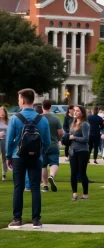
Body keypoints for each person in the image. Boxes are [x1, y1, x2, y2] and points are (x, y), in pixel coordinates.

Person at [6, 88, 51, 229]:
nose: (18, 101)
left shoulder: (15, 118)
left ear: (23, 100)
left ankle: (17, 219)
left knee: (18, 187)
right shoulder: (42, 119)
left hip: (18, 155)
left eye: (19, 99)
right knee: (35, 188)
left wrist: (8, 156)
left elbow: (9, 140)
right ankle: (36, 220)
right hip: (36, 156)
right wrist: (41, 151)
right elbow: (47, 141)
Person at [41, 100, 63, 192]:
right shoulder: (55, 119)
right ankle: (52, 175)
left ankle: (45, 185)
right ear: (51, 107)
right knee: (54, 162)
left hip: (41, 145)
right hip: (53, 143)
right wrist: (58, 139)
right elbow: (60, 132)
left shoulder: (38, 118)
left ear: (42, 107)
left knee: (43, 165)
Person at [69, 105, 90, 201]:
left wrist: (74, 137)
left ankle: (85, 194)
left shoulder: (84, 124)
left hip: (82, 151)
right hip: (73, 151)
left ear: (82, 113)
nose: (75, 112)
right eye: (75, 111)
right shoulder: (73, 123)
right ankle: (74, 194)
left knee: (82, 173)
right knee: (73, 173)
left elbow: (86, 139)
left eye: (77, 111)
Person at [0, 106, 9, 181]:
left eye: (3, 112)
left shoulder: (8, 121)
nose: (2, 114)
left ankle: (4, 174)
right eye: (0, 112)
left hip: (5, 141)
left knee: (4, 158)